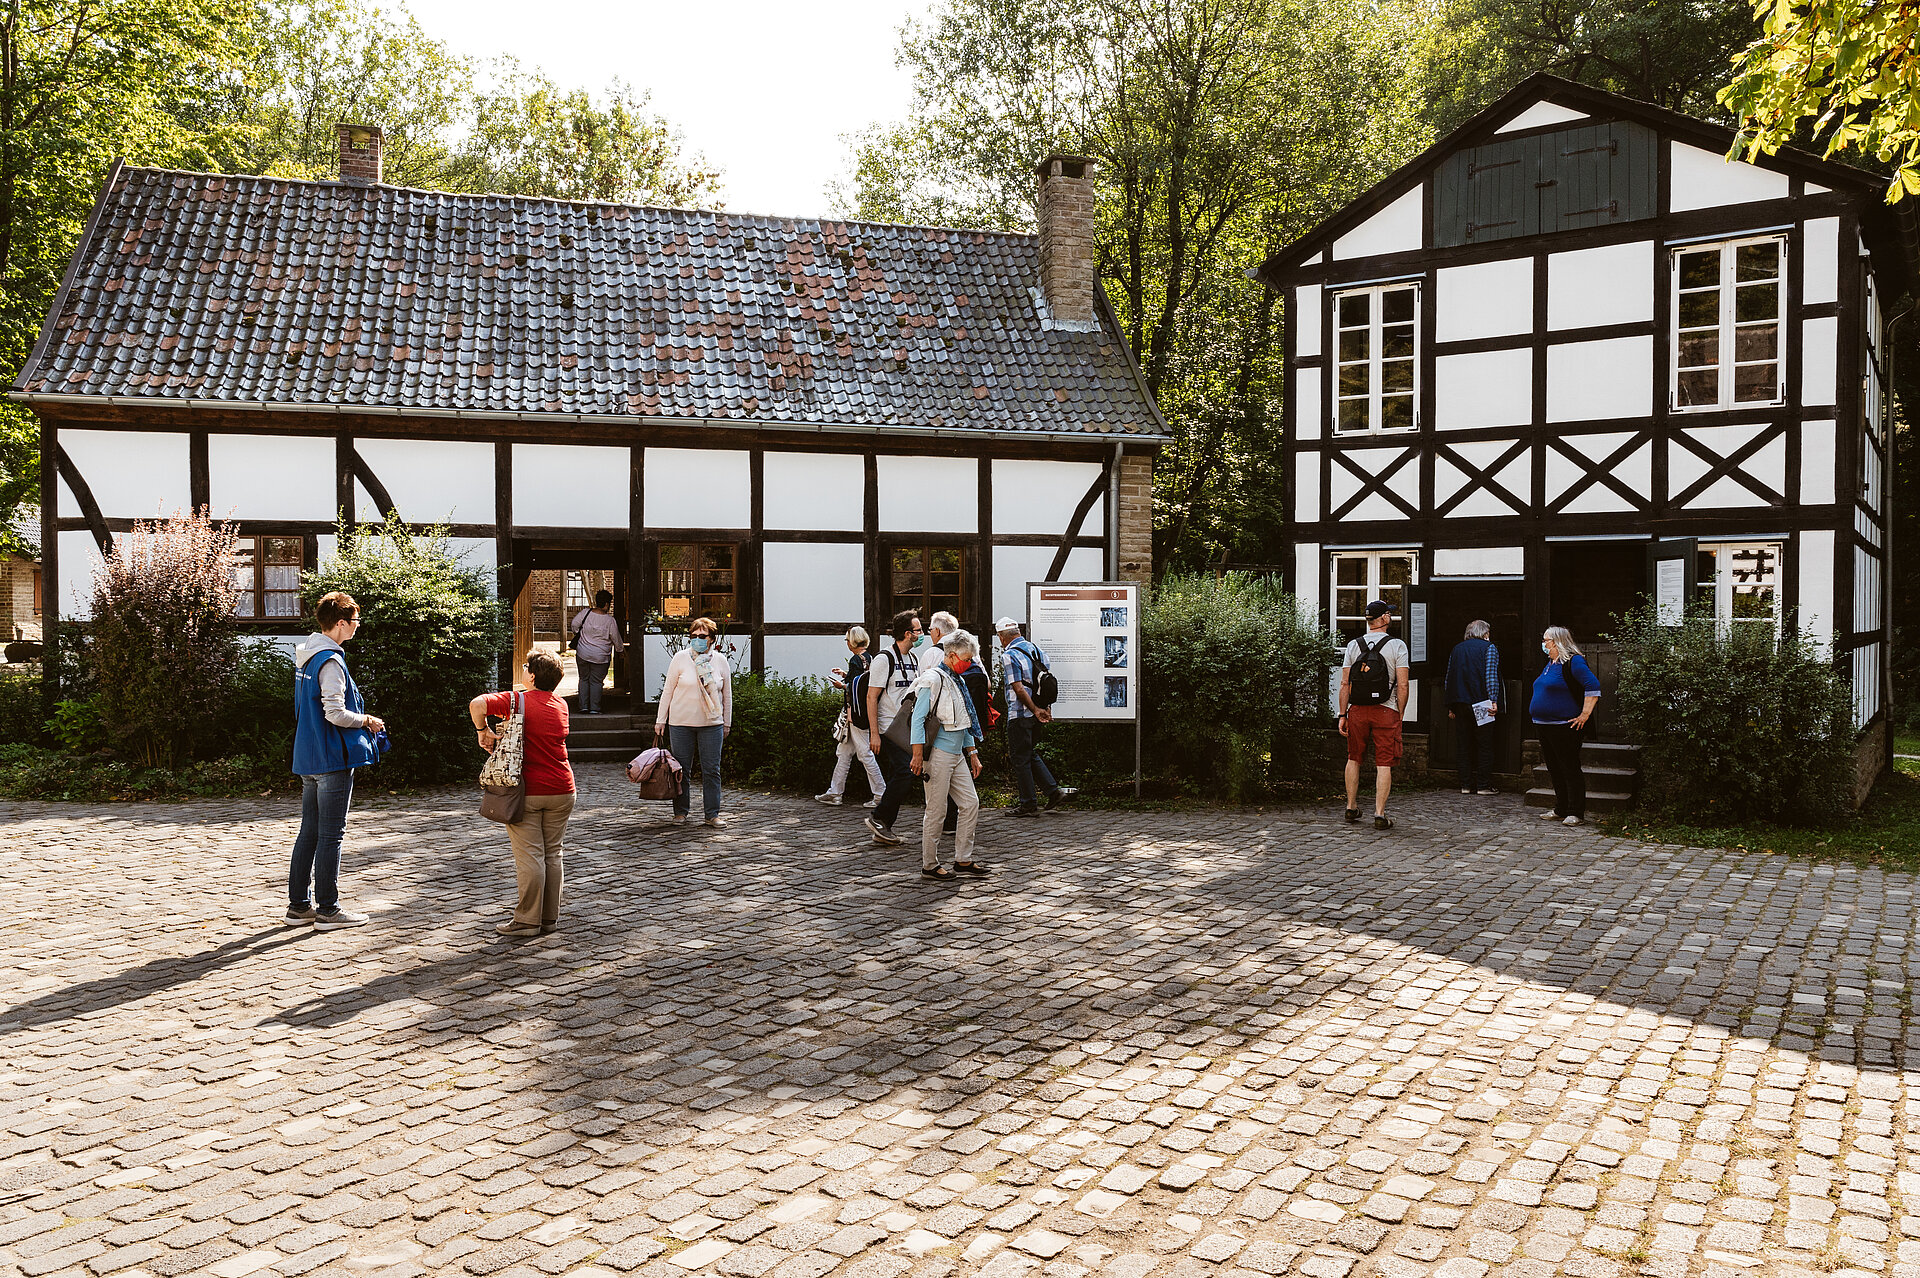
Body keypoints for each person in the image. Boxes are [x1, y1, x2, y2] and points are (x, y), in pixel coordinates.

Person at [286, 591, 385, 930]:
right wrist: (367, 720)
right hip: (331, 758)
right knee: (331, 835)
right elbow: (335, 712)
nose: (358, 626)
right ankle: (328, 910)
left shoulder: (308, 657)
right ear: (341, 623)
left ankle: (299, 907)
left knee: (309, 832)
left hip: (309, 756)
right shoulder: (331, 660)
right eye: (355, 620)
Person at [469, 650, 575, 936]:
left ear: (531, 675)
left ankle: (528, 920)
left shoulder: (516, 701)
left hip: (526, 789)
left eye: (526, 666)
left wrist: (483, 730)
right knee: (553, 854)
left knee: (530, 856)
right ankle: (549, 918)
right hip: (562, 788)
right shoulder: (561, 705)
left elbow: (477, 703)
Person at [910, 630, 990, 880]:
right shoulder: (932, 679)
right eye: (967, 658)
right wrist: (917, 754)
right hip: (939, 754)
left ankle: (963, 859)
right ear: (953, 655)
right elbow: (918, 718)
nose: (970, 663)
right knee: (936, 809)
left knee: (970, 803)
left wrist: (973, 753)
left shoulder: (958, 679)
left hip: (957, 754)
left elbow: (964, 721)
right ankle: (929, 864)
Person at [994, 617, 1078, 817]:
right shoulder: (1037, 651)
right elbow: (1046, 683)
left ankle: (1028, 804)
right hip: (1037, 712)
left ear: (1001, 637)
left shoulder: (1010, 655)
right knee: (1028, 753)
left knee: (1019, 758)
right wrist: (1044, 709)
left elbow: (1018, 688)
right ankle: (1052, 791)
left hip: (1021, 713)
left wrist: (1033, 709)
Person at [1337, 600, 1410, 830]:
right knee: (1384, 762)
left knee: (1353, 757)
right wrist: (1400, 713)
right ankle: (1379, 813)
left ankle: (1351, 806)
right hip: (1386, 709)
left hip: (1357, 709)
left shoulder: (1353, 646)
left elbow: (1345, 683)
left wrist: (1342, 714)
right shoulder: (1397, 645)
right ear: (1385, 618)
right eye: (1390, 614)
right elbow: (1403, 685)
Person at [656, 617, 733, 827]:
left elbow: (727, 695)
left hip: (711, 724)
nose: (697, 640)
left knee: (712, 770)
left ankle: (712, 814)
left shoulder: (720, 661)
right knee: (681, 770)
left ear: (712, 639)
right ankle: (680, 812)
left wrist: (727, 722)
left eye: (702, 636)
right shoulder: (680, 659)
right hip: (681, 723)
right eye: (693, 636)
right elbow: (668, 691)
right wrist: (660, 720)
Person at [864, 610, 926, 846]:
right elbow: (872, 698)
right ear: (908, 633)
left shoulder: (914, 659)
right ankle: (879, 817)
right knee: (906, 771)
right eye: (919, 630)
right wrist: (874, 733)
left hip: (907, 727)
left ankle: (883, 829)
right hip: (888, 728)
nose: (922, 634)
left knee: (897, 774)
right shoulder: (884, 659)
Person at [1531, 625, 1602, 826]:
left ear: (1556, 641)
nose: (1543, 644)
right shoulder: (1550, 664)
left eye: (1546, 640)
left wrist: (1584, 715)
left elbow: (1593, 686)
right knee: (1554, 768)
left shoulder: (1573, 661)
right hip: (1544, 725)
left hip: (1564, 726)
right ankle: (1561, 808)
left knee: (1569, 768)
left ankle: (1575, 811)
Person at [816, 625, 886, 808]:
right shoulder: (870, 658)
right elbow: (863, 681)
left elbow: (856, 688)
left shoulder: (856, 659)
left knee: (865, 753)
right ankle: (835, 792)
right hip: (864, 710)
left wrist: (842, 686)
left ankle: (881, 794)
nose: (846, 643)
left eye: (847, 639)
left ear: (853, 641)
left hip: (855, 713)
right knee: (844, 753)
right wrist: (846, 676)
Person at [1443, 619, 1503, 796]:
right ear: (1485, 633)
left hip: (1460, 702)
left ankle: (1465, 785)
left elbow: (1449, 678)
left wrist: (1450, 705)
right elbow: (1491, 675)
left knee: (1463, 744)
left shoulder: (1457, 649)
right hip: (1481, 702)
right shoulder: (1489, 647)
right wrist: (1494, 700)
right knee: (1484, 744)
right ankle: (1483, 785)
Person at [569, 589, 624, 715]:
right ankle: (594, 708)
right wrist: (620, 650)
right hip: (600, 656)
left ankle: (583, 706)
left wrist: (580, 635)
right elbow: (616, 638)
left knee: (583, 679)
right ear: (606, 604)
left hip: (583, 653)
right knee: (596, 682)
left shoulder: (585, 613)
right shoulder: (609, 621)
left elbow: (574, 625)